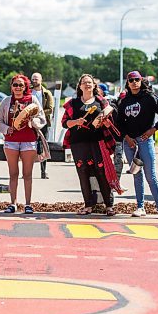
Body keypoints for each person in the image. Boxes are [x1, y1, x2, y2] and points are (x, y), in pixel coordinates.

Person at [62, 74, 121, 216]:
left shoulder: (101, 102)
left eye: (89, 83)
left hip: (98, 141)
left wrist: (107, 123)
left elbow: (110, 121)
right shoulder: (73, 103)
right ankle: (88, 205)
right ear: (80, 86)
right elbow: (64, 123)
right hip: (78, 142)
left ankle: (109, 206)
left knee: (102, 172)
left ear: (94, 85)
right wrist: (76, 122)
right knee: (83, 173)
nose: (87, 85)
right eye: (84, 83)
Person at [116, 71, 158, 219]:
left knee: (150, 175)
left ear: (141, 81)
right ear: (127, 83)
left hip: (145, 141)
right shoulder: (124, 101)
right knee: (136, 174)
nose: (134, 82)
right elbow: (119, 123)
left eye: (137, 79)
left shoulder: (150, 98)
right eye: (131, 80)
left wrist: (154, 129)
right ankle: (140, 207)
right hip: (130, 143)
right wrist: (126, 137)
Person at [0, 74, 46, 214]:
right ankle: (13, 203)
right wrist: (6, 129)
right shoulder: (6, 101)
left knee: (27, 174)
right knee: (13, 173)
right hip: (11, 141)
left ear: (26, 87)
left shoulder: (32, 99)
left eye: (21, 85)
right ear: (11, 87)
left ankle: (28, 204)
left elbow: (42, 118)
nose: (18, 88)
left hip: (28, 141)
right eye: (15, 85)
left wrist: (32, 122)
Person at [31, 72, 54, 179]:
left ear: (41, 80)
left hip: (42, 122)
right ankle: (27, 171)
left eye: (36, 79)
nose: (34, 81)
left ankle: (43, 171)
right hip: (29, 123)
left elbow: (50, 109)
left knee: (42, 146)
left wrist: (38, 114)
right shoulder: (28, 92)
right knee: (28, 147)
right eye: (33, 79)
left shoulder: (46, 93)